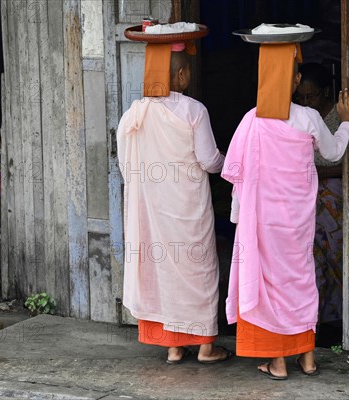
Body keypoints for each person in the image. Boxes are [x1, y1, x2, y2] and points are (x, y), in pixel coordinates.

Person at [222, 43, 349, 380]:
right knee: (300, 282)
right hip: (297, 222)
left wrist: (238, 219)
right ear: (295, 80)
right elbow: (334, 152)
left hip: (261, 224)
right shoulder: (309, 117)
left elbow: (236, 173)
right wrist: (346, 123)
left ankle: (278, 362)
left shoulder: (250, 121)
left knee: (269, 288)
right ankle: (307, 359)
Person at [117, 38, 233, 365]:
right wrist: (235, 164)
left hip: (152, 210)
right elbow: (210, 160)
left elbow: (127, 167)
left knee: (163, 271)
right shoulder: (193, 110)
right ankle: (206, 348)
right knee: (198, 272)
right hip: (187, 208)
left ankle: (174, 347)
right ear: (181, 76)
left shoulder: (134, 115)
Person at [294, 63, 344, 340]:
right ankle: (318, 320)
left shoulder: (339, 116)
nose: (304, 102)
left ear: (326, 93)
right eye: (300, 97)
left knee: (335, 257)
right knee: (311, 260)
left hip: (332, 196)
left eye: (310, 96)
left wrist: (316, 173)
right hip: (307, 197)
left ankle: (337, 320)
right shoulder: (301, 116)